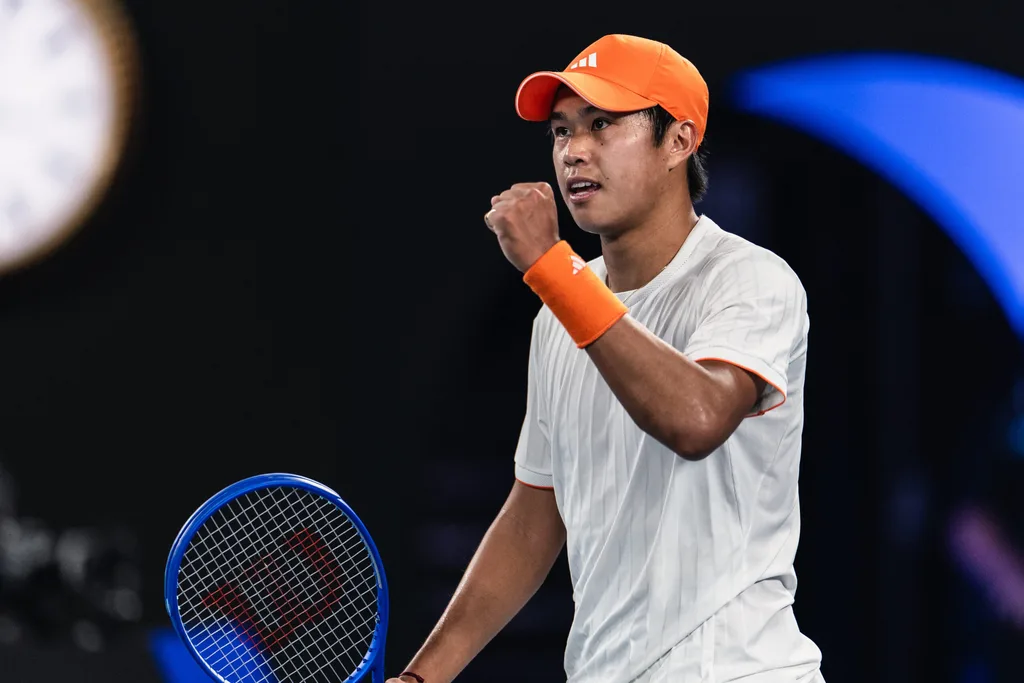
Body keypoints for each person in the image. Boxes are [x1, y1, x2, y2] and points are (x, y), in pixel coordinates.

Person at [388, 34, 824, 683]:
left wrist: (553, 271)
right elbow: (536, 516)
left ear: (679, 140)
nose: (574, 151)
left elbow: (697, 417)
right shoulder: (557, 317)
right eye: (561, 131)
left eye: (602, 124)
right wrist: (422, 676)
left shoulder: (752, 280)